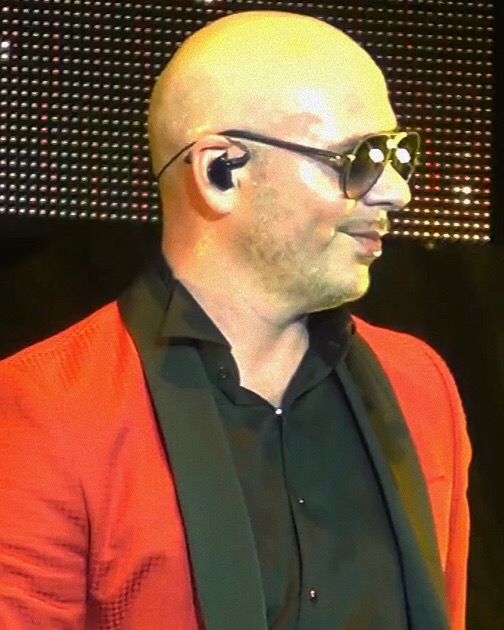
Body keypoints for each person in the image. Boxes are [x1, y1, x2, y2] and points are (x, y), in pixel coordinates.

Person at [0, 9, 472, 630]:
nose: (396, 193)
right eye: (358, 158)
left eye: (397, 155)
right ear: (221, 171)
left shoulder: (420, 386)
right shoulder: (47, 408)